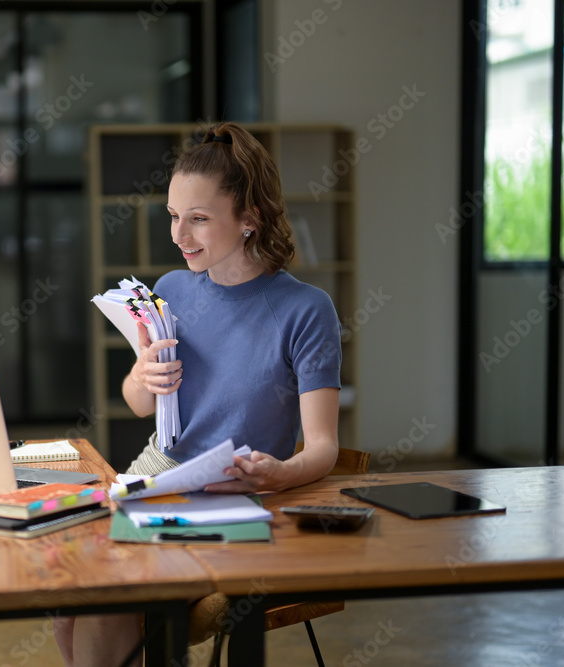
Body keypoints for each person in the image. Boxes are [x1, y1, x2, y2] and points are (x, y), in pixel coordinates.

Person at [53, 122, 342, 666]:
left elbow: (323, 446)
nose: (178, 235)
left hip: (235, 494)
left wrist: (281, 472)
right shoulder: (169, 290)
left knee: (108, 601)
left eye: (199, 219)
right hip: (157, 471)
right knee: (67, 594)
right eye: (173, 216)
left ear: (250, 218)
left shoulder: (306, 311)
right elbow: (141, 405)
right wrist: (141, 376)